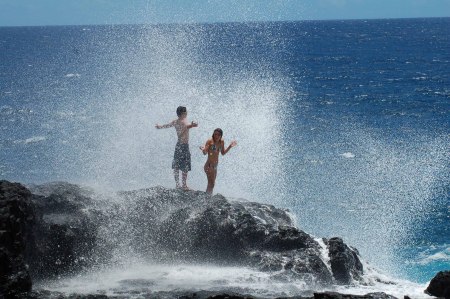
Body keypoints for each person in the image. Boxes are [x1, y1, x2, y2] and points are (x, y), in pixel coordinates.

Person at [155, 106, 198, 190]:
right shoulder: (184, 121)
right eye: (186, 112)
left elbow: (166, 125)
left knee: (176, 165)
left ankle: (177, 185)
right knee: (185, 165)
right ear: (183, 113)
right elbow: (188, 125)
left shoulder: (175, 121)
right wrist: (193, 125)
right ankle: (184, 185)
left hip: (178, 145)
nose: (186, 114)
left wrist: (159, 126)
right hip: (184, 146)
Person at [200, 128, 237, 195]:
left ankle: (208, 196)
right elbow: (205, 153)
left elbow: (223, 153)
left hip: (215, 166)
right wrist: (203, 149)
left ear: (221, 135)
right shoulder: (210, 141)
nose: (216, 136)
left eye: (218, 135)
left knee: (212, 184)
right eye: (215, 134)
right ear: (213, 134)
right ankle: (207, 198)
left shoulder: (221, 142)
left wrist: (230, 146)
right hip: (209, 165)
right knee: (210, 183)